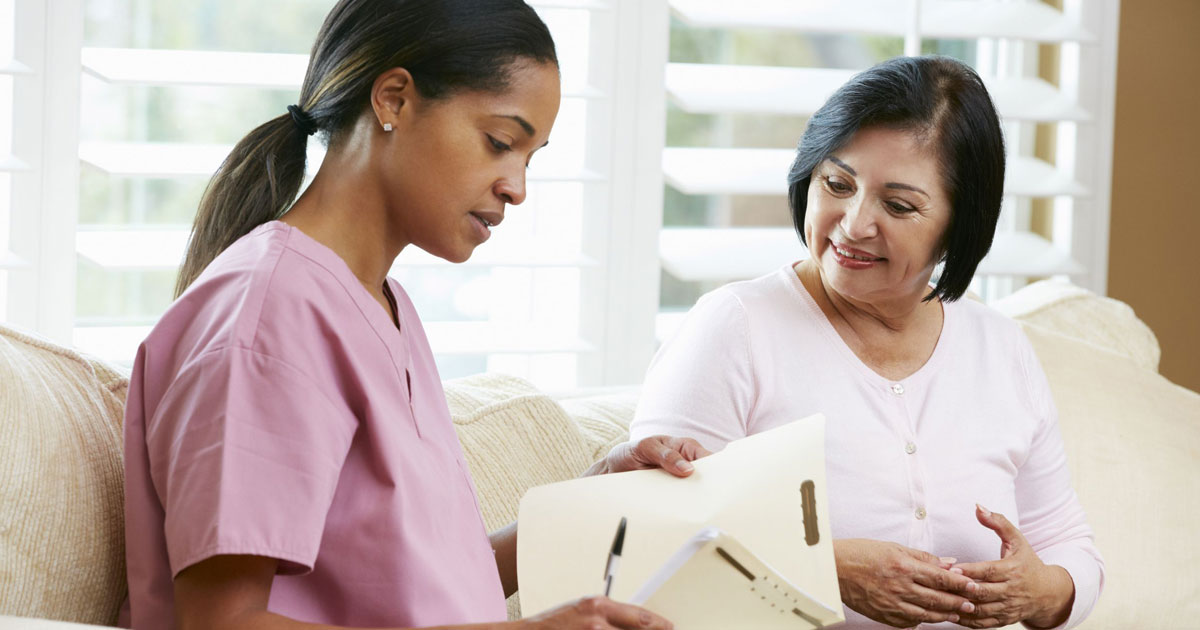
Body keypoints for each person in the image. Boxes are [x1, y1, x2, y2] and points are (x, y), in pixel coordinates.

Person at [121, 1, 708, 628]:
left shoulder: (386, 308)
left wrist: (595, 503)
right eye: (500, 142)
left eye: (529, 159)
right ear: (394, 99)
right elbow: (222, 622)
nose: (517, 186)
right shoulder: (269, 312)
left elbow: (411, 591)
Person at [628, 55, 1104, 630]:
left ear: (961, 224)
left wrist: (1042, 592)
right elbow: (647, 546)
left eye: (898, 205)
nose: (853, 224)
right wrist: (825, 568)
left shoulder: (1001, 348)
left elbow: (1066, 542)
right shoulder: (736, 326)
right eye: (837, 183)